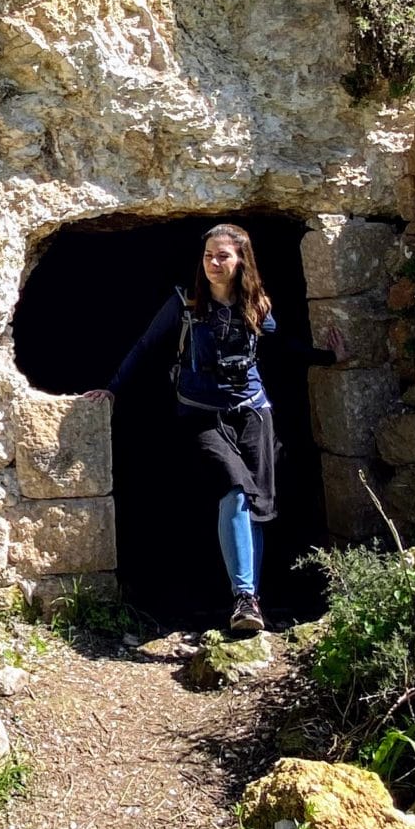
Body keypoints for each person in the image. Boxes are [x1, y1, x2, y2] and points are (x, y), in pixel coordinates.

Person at [85, 223, 341, 634]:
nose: (213, 263)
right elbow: (146, 347)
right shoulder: (184, 304)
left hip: (254, 413)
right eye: (208, 256)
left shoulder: (257, 305)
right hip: (202, 414)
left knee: (257, 506)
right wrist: (113, 390)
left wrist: (327, 356)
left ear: (242, 260)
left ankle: (250, 601)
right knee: (235, 490)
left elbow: (279, 348)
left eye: (223, 256)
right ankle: (244, 595)